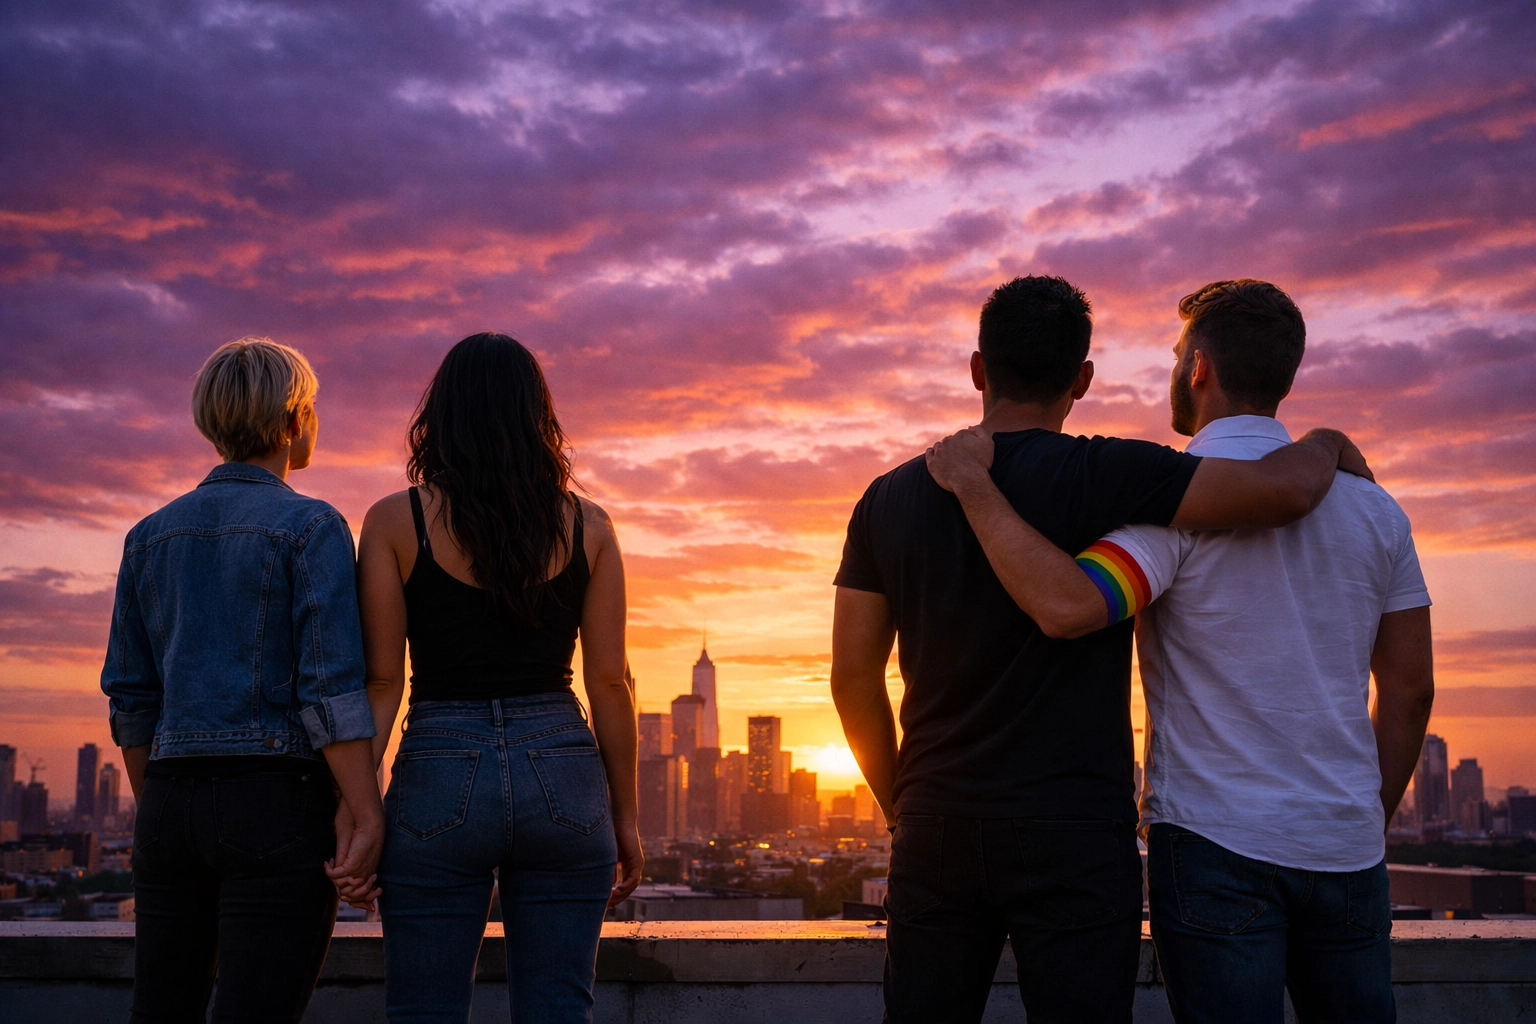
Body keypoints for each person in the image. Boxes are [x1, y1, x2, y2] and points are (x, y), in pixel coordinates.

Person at [831, 275, 1375, 1024]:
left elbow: (853, 679)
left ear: (977, 370)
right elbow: (1277, 495)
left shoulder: (887, 497)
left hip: (938, 823)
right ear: (1082, 379)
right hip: (1077, 832)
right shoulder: (1115, 473)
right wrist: (1326, 442)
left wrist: (905, 805)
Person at [350, 332, 642, 1023]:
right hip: (565, 773)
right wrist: (625, 817)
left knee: (423, 1011)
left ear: (440, 416)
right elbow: (609, 685)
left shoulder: (396, 520)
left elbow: (380, 684)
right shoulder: (589, 526)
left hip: (439, 766)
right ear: (536, 417)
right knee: (558, 1012)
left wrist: (356, 811)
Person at [101, 337, 384, 1024]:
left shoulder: (148, 536)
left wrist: (165, 804)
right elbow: (329, 687)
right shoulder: (310, 526)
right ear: (293, 421)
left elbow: (132, 699)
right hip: (275, 803)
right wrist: (365, 812)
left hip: (169, 801)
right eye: (311, 407)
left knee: (161, 1010)